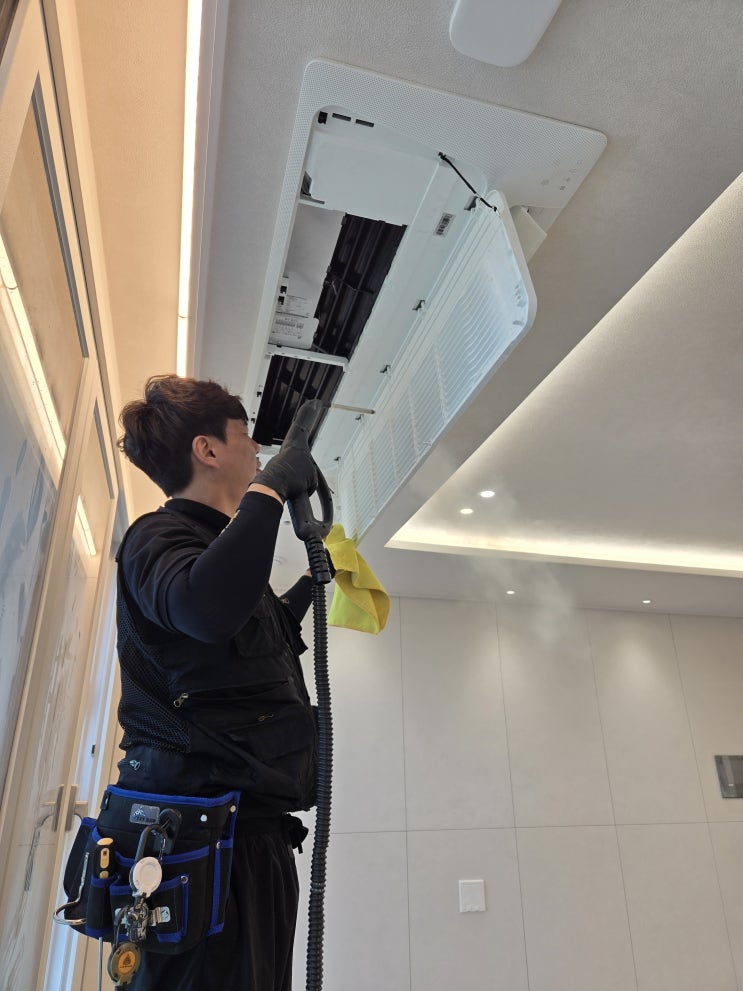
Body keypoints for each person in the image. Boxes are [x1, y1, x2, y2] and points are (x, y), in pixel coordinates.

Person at [112, 373, 321, 990]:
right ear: (207, 449)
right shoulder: (154, 537)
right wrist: (270, 489)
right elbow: (203, 609)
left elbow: (233, 649)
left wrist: (308, 588)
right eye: (245, 436)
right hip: (195, 843)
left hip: (251, 835)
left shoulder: (216, 556)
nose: (257, 449)